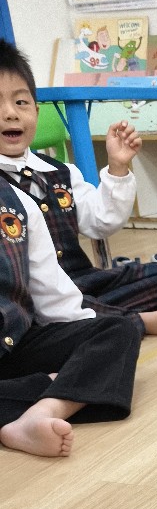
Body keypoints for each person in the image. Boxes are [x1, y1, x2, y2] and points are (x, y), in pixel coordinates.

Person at [0, 40, 157, 338]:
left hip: (82, 282)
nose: (10, 114)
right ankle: (133, 321)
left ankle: (105, 318)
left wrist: (118, 167)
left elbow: (101, 222)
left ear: (36, 110)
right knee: (44, 320)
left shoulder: (60, 172)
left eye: (21, 102)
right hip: (30, 300)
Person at [0, 174, 140, 457]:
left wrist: (90, 354)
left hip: (13, 344)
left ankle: (46, 409)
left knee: (117, 330)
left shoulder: (18, 201)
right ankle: (53, 386)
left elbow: (50, 291)